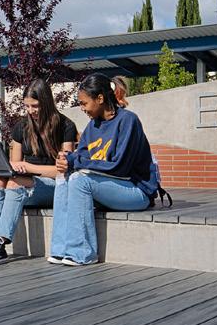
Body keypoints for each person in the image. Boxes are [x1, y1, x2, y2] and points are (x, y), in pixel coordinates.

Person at [0, 79, 78, 266]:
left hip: (55, 186)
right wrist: (12, 167)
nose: (31, 111)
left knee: (16, 182)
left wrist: (29, 168)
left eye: (35, 106)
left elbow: (64, 170)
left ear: (46, 102)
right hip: (25, 183)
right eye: (27, 106)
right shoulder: (22, 127)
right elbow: (14, 165)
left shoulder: (65, 126)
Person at [49, 73, 153, 266]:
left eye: (84, 103)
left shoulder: (128, 120)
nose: (82, 108)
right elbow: (80, 157)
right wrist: (66, 160)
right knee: (64, 177)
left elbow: (120, 167)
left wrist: (75, 161)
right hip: (109, 188)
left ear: (100, 98)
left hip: (136, 191)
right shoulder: (92, 126)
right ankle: (60, 249)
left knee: (79, 180)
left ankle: (82, 253)